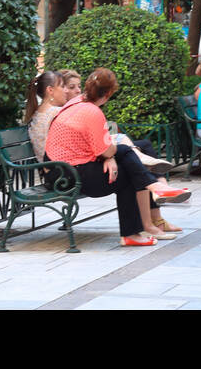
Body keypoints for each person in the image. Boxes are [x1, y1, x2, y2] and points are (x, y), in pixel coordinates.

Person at [44, 68, 188, 247]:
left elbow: (102, 150)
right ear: (109, 93)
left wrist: (109, 156)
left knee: (130, 151)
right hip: (66, 175)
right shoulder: (92, 112)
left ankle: (154, 189)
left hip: (63, 169)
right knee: (126, 170)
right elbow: (105, 151)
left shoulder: (77, 102)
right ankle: (151, 194)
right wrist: (109, 157)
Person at [25, 70, 66, 159]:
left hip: (47, 167)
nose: (65, 91)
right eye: (62, 86)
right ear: (50, 90)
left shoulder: (36, 113)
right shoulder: (56, 113)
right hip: (60, 168)